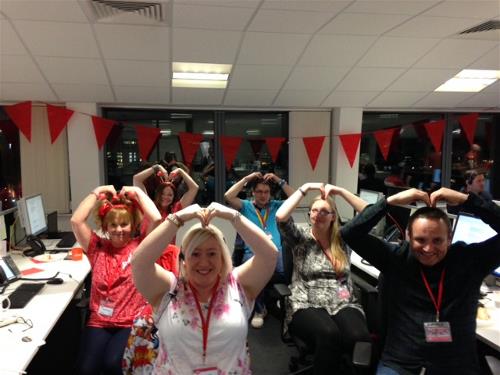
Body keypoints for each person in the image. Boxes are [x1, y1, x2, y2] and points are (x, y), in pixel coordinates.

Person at [341, 187, 500, 374]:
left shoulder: (468, 260)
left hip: (455, 366)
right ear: (409, 237)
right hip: (401, 363)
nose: (428, 248)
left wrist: (468, 200)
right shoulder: (397, 258)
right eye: (421, 239)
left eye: (437, 241)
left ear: (449, 239)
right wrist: (389, 202)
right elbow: (349, 233)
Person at [130, 202, 278, 374]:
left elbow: (269, 255)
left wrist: (233, 217)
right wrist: (177, 219)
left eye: (212, 253)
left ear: (223, 258)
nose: (204, 262)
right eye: (195, 253)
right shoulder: (169, 289)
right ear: (184, 259)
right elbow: (139, 262)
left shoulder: (238, 285)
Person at [275, 182, 372, 374]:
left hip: (342, 301)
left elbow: (370, 213)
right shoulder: (300, 238)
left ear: (333, 216)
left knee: (360, 337)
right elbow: (280, 216)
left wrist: (340, 190)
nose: (318, 214)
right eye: (314, 210)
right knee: (329, 334)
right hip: (306, 301)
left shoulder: (344, 238)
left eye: (324, 211)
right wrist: (305, 187)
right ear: (309, 214)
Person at [71, 185, 162, 375]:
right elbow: (76, 220)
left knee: (113, 363)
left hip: (131, 321)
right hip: (100, 320)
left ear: (133, 225)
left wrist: (137, 192)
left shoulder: (140, 247)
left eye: (124, 224)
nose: (119, 230)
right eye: (113, 225)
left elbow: (156, 218)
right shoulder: (96, 247)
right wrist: (97, 191)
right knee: (84, 369)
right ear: (106, 227)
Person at [224, 171, 294, 328]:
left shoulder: (276, 206)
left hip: (277, 254)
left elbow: (296, 197)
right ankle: (259, 309)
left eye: (266, 192)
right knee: (257, 272)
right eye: (259, 192)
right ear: (253, 193)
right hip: (253, 254)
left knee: (289, 270)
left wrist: (278, 180)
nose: (263, 195)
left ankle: (283, 302)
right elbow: (228, 196)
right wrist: (247, 178)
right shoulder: (246, 206)